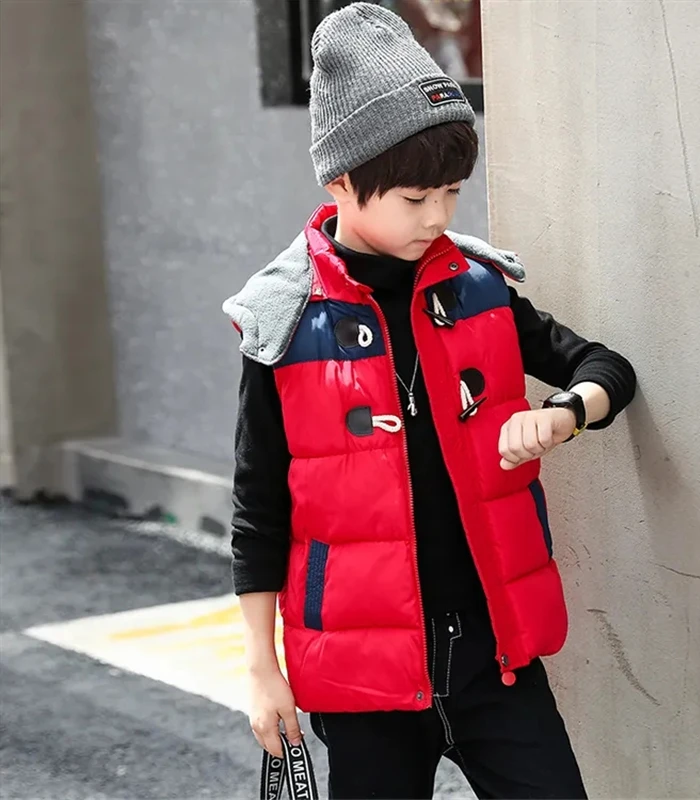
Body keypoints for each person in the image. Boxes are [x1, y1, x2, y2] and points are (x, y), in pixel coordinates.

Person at [223, 4, 636, 798]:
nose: (439, 216)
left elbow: (602, 365)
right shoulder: (283, 322)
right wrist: (260, 669)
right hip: (363, 687)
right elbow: (258, 510)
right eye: (416, 198)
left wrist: (565, 413)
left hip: (493, 666)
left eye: (450, 192)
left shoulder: (477, 290)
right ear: (342, 180)